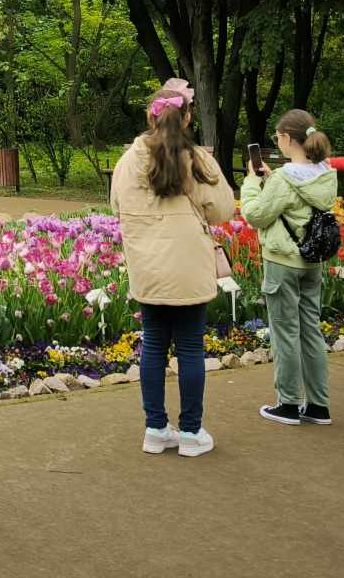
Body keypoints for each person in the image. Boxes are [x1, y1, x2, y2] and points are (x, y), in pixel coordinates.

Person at [110, 83, 236, 458]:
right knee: (191, 348)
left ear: (150, 116)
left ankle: (155, 429)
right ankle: (192, 433)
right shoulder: (195, 160)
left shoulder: (129, 160)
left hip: (147, 267)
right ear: (187, 117)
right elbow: (222, 210)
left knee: (153, 345)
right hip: (188, 267)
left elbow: (116, 205)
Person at [239, 110, 336, 426]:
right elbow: (299, 204)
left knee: (285, 333)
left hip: (282, 261)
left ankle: (289, 404)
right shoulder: (326, 173)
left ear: (285, 138)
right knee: (310, 330)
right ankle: (319, 406)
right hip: (312, 260)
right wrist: (271, 181)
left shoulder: (284, 178)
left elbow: (256, 214)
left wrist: (252, 183)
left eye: (277, 137)